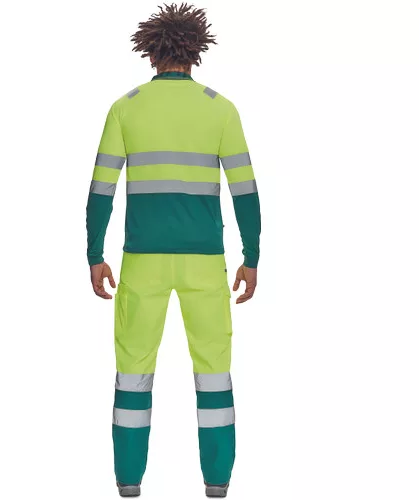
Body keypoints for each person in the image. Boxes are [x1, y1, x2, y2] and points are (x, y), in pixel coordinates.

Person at [86, 4, 261, 497]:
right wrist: (251, 257)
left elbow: (101, 190)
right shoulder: (221, 109)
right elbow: (245, 191)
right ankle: (217, 481)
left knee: (133, 370)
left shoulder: (125, 107)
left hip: (142, 260)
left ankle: (128, 480)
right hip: (205, 262)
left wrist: (94, 254)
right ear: (196, 49)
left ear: (151, 52)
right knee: (214, 371)